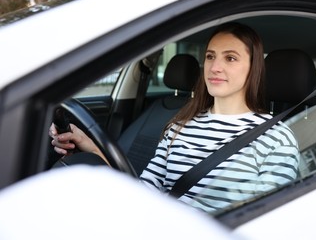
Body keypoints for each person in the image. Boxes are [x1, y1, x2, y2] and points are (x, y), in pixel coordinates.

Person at [50, 22, 300, 213]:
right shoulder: (179, 126)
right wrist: (92, 149)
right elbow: (143, 192)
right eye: (210, 56)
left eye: (230, 58)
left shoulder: (276, 138)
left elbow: (268, 221)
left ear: (253, 68)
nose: (215, 67)